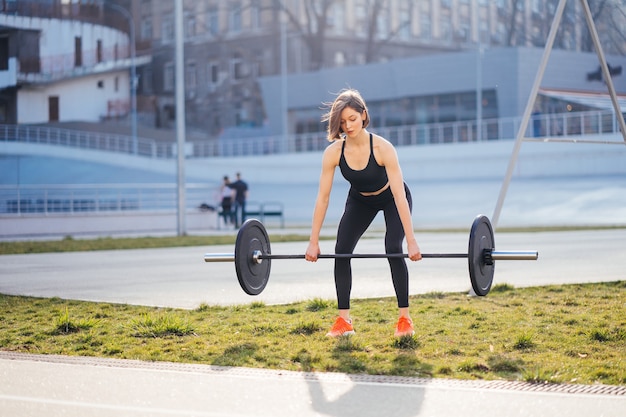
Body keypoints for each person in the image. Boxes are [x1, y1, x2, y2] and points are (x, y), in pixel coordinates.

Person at [305, 88, 422, 338]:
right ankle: (344, 321)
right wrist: (313, 241)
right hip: (360, 200)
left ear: (364, 115)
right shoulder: (333, 153)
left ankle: (404, 319)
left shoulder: (383, 148)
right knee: (342, 250)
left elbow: (400, 195)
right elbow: (323, 198)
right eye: (343, 121)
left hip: (392, 196)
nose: (348, 126)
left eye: (353, 119)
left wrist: (411, 241)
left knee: (393, 248)